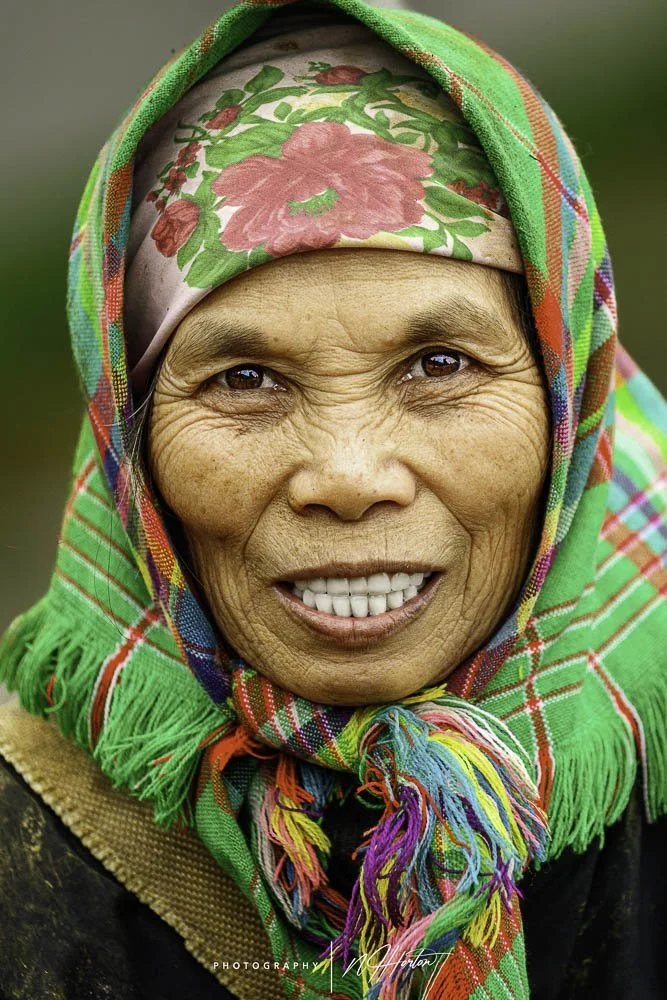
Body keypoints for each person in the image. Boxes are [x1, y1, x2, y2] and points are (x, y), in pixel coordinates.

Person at [0, 1, 665, 998]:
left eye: (439, 364)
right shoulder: (35, 836)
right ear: (128, 441)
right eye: (244, 380)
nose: (349, 478)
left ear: (568, 396)